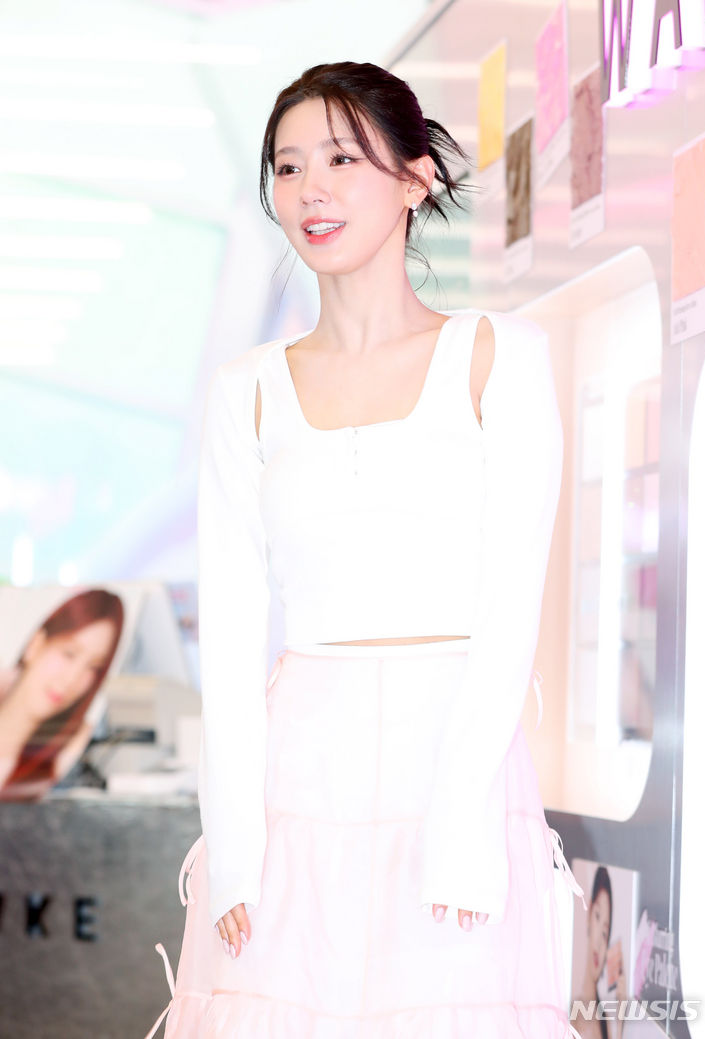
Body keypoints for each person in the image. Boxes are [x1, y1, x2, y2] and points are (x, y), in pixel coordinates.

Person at [146, 60, 587, 1038]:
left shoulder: (498, 357)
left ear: (416, 177)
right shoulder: (246, 389)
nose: (312, 188)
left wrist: (463, 817)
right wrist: (234, 841)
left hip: (453, 759)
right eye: (289, 166)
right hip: (297, 776)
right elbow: (231, 640)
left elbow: (510, 611)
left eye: (343, 158)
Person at [0, 587, 124, 800]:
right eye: (69, 654)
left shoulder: (69, 744)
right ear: (36, 644)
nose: (72, 679)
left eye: (93, 667)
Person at [573, 866, 627, 1039]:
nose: (599, 943)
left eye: (605, 933)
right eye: (597, 916)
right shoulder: (574, 1015)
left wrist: (620, 1018)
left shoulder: (602, 1016)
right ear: (589, 913)